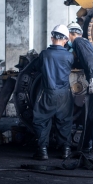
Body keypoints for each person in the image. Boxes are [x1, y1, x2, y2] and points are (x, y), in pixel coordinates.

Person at [32, 25, 74, 160]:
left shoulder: (44, 54)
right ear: (66, 40)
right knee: (64, 122)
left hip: (47, 93)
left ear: (52, 38)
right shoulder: (69, 56)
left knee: (40, 121)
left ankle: (43, 151)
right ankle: (65, 150)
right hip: (64, 95)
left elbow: (34, 68)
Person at [67, 22, 93, 152]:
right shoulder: (83, 42)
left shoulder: (78, 43)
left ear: (70, 34)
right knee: (91, 113)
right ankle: (88, 145)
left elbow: (90, 61)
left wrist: (92, 80)